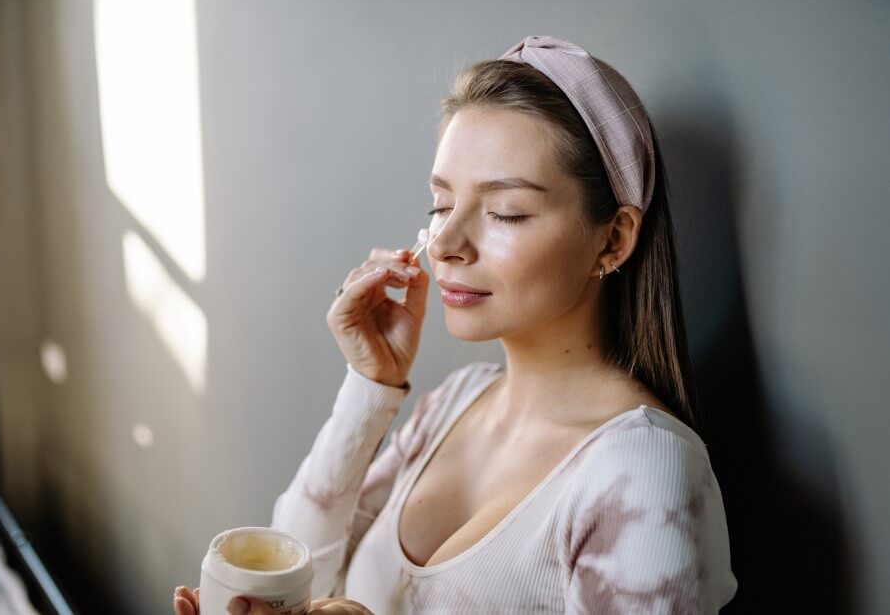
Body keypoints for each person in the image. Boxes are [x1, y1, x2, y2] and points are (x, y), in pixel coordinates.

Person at [175, 34, 737, 614]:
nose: (444, 243)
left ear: (614, 238)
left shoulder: (642, 470)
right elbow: (301, 577)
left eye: (505, 212)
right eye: (440, 206)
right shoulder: (456, 400)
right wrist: (369, 386)